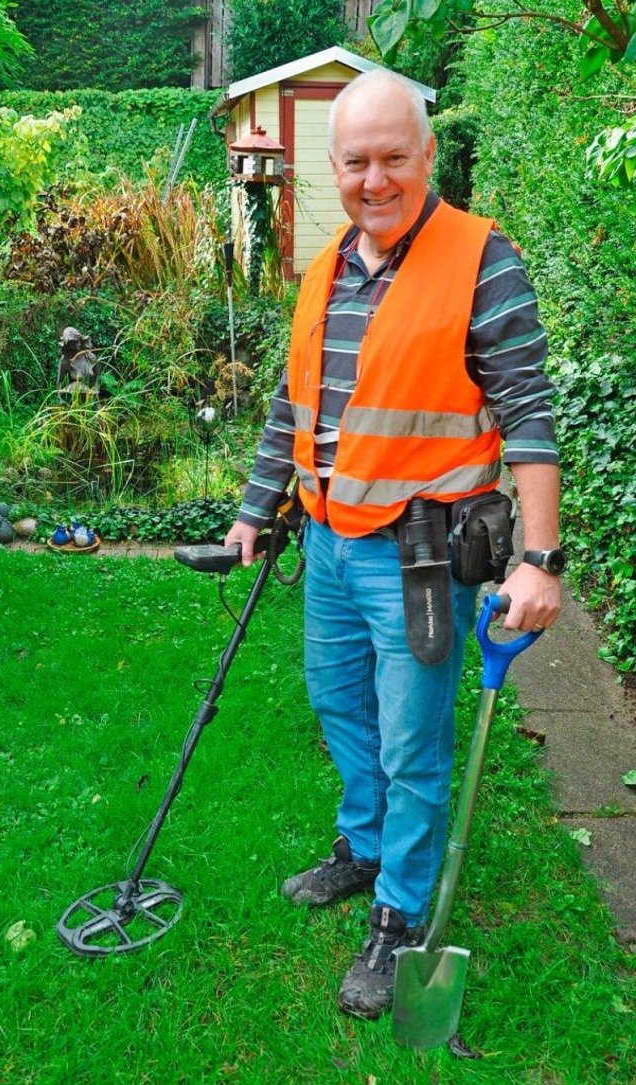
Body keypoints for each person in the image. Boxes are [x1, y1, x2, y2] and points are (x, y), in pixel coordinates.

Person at [225, 68, 563, 1019]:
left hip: (418, 552)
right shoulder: (331, 261)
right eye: (357, 161)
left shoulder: (482, 261)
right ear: (335, 167)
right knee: (339, 702)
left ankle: (400, 911)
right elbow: (296, 404)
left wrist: (539, 559)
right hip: (330, 542)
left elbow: (530, 416)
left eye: (394, 159)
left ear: (427, 157)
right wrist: (258, 510)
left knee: (414, 736)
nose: (375, 179)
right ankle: (365, 841)